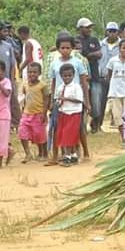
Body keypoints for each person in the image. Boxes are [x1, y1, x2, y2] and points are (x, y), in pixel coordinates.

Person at [46, 34, 91, 165]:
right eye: (62, 47)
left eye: (67, 47)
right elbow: (53, 82)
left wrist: (87, 102)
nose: (65, 50)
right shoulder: (54, 63)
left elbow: (84, 83)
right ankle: (56, 155)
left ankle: (85, 152)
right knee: (57, 128)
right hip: (59, 100)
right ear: (58, 48)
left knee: (79, 128)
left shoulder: (78, 62)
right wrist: (51, 100)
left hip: (75, 99)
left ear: (72, 48)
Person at [76, 17, 104, 134]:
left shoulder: (94, 40)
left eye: (90, 27)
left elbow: (99, 54)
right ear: (80, 28)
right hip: (80, 77)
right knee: (81, 101)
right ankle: (82, 126)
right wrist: (89, 56)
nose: (89, 29)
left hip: (94, 75)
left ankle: (96, 125)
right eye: (87, 27)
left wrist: (87, 55)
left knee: (96, 101)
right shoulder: (75, 40)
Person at [54, 64, 85, 167]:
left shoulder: (76, 87)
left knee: (69, 134)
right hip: (63, 112)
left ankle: (68, 156)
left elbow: (79, 100)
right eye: (65, 76)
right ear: (61, 76)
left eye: (69, 75)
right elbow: (57, 99)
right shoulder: (60, 87)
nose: (67, 78)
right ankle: (72, 155)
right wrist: (58, 103)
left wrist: (66, 98)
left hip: (74, 113)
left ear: (73, 75)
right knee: (63, 134)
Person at [19, 62, 49, 162]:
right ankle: (28, 154)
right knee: (22, 133)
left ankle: (43, 153)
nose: (32, 74)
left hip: (38, 114)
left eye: (35, 72)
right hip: (27, 113)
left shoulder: (43, 85)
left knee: (40, 135)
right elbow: (25, 96)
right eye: (30, 72)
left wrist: (44, 113)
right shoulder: (25, 84)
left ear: (39, 73)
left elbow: (46, 99)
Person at [96, 21, 121, 132]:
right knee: (100, 102)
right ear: (106, 32)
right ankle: (97, 125)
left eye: (114, 31)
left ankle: (120, 125)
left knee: (118, 102)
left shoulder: (122, 45)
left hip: (117, 78)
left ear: (117, 32)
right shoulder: (100, 44)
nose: (112, 34)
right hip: (102, 77)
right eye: (110, 31)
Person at [106, 39, 125, 129]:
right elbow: (110, 74)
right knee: (117, 116)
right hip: (115, 92)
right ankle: (123, 136)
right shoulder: (113, 61)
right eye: (124, 48)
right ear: (119, 48)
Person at [0, 60, 14, 167]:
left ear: (3, 71)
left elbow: (6, 94)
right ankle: (9, 151)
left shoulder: (6, 82)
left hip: (3, 115)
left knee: (2, 138)